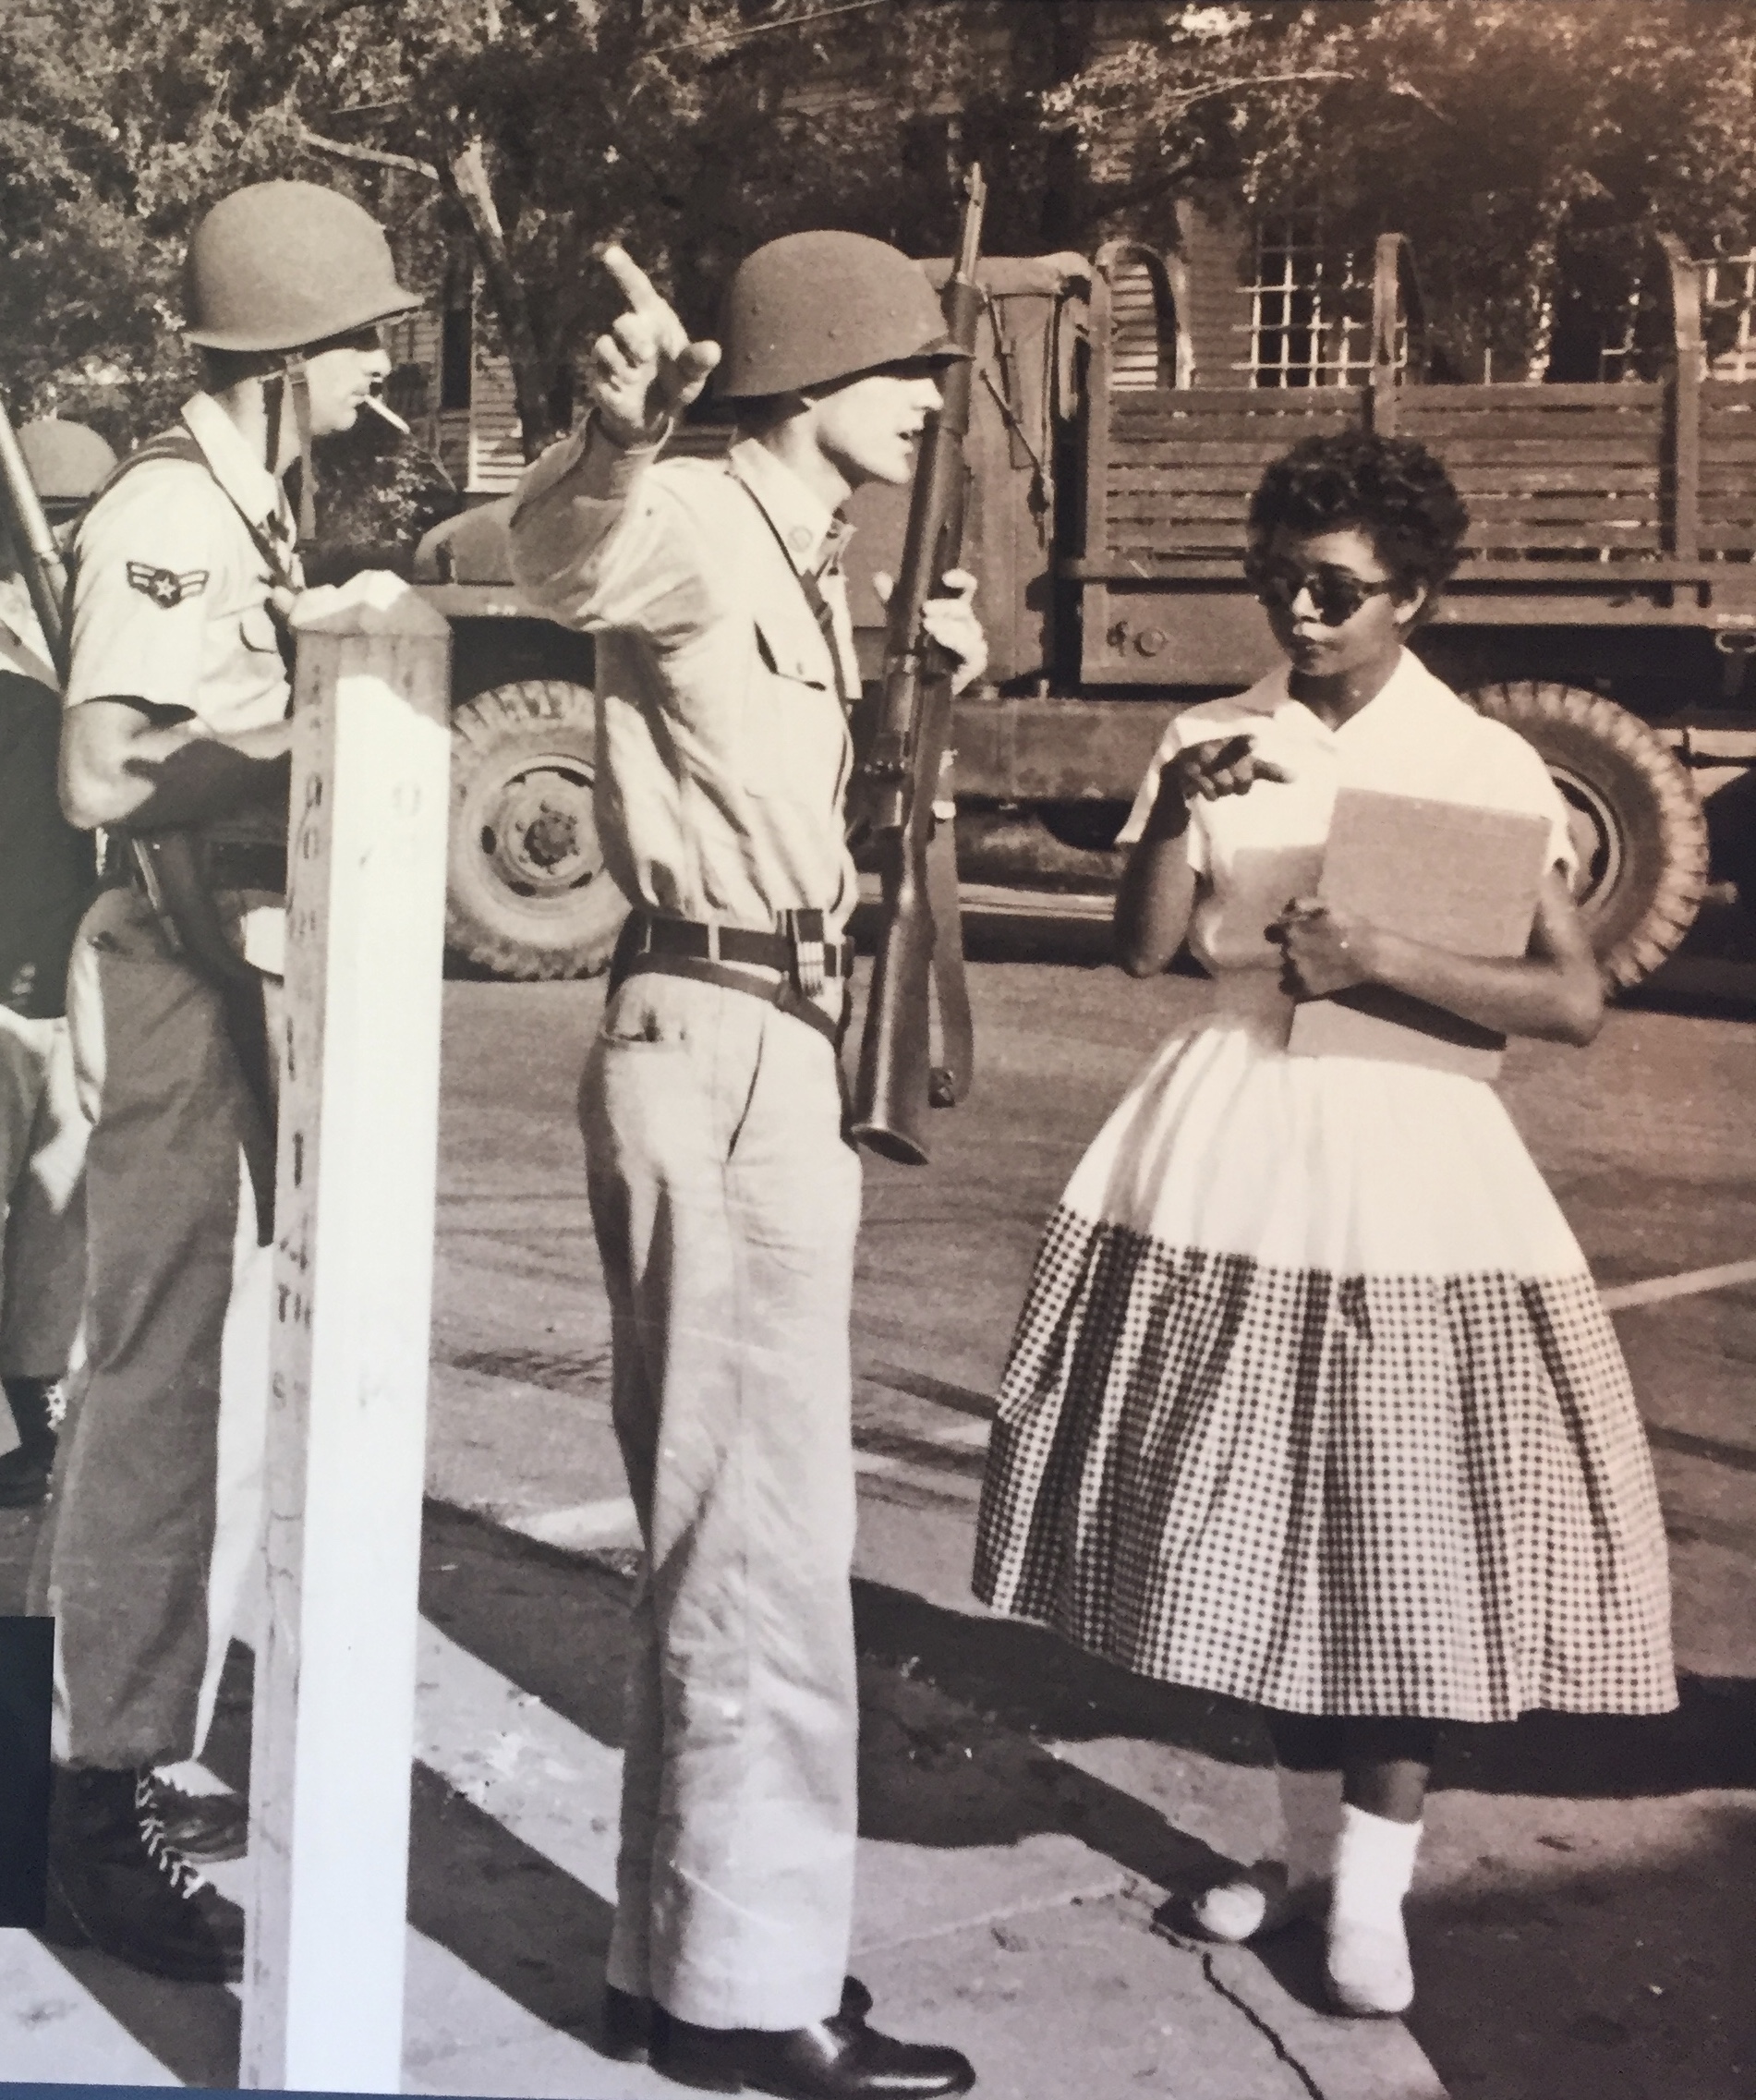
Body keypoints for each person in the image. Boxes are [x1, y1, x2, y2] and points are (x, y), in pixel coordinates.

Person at [973, 429, 1675, 2021]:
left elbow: (1570, 999)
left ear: (1412, 595)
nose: (1298, 610)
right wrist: (1174, 811)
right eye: (1278, 580)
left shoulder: (1480, 761)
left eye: (1335, 588)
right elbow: (1146, 951)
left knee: (1392, 1527)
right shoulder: (1213, 733)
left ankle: (1371, 1896)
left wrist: (1380, 955)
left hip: (1406, 1158)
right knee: (1263, 1524)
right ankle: (1299, 1865)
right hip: (1230, 1147)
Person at [510, 232, 985, 2097]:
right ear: (809, 375)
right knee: (765, 1540)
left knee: (732, 1523)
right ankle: (746, 1995)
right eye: (905, 370)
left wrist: (927, 693)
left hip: (766, 1031)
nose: (930, 402)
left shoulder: (810, 549)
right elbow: (567, 560)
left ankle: (672, 1956)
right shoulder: (701, 513)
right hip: (716, 1034)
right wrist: (616, 435)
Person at [36, 179, 419, 1985]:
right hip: (174, 974)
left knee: (211, 1391)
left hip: (229, 970)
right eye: (361, 341)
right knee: (157, 1388)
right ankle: (92, 1796)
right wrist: (314, 718)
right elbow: (104, 770)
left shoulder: (251, 498)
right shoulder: (170, 513)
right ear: (288, 352)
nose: (377, 370)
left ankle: (132, 1752)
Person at [0, 420, 113, 1508]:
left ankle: (36, 1417)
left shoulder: (72, 645)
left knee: (54, 1212)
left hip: (62, 964)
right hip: (11, 981)